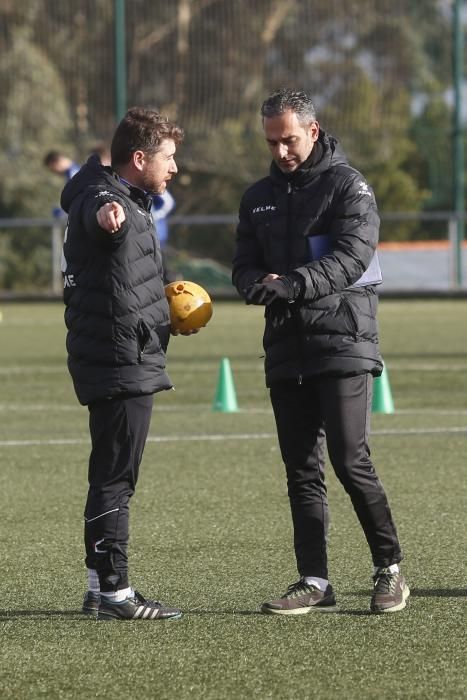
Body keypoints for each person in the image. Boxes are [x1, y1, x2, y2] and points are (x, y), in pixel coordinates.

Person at [232, 88, 410, 615]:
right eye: (272, 142)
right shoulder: (257, 196)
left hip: (344, 342)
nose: (281, 151)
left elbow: (352, 256)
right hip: (286, 344)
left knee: (349, 459)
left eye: (289, 139)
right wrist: (254, 283)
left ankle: (390, 571)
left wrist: (292, 283)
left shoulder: (349, 187)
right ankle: (314, 581)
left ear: (312, 130)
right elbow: (241, 262)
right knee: (300, 469)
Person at [60, 107, 188, 621]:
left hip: (117, 352)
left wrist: (165, 310)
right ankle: (116, 592)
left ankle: (98, 587)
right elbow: (99, 213)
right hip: (120, 358)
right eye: (169, 158)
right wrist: (106, 218)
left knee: (107, 474)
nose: (174, 168)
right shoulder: (109, 199)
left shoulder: (128, 198)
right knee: (117, 478)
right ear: (140, 158)